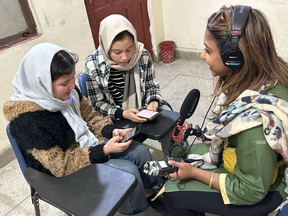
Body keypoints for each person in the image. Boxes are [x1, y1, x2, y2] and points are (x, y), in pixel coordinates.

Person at [3, 42, 162, 216]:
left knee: (140, 153)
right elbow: (60, 167)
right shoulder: (28, 120)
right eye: (64, 83)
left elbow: (91, 117)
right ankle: (135, 211)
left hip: (88, 146)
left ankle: (153, 194)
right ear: (42, 83)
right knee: (129, 174)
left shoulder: (67, 94)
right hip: (64, 173)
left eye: (73, 78)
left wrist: (110, 131)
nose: (72, 86)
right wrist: (103, 150)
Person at [161, 5, 288, 216]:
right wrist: (222, 139)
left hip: (269, 190)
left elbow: (251, 190)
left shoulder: (255, 122)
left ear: (234, 57)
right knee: (195, 154)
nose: (202, 56)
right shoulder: (271, 72)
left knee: (174, 192)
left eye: (208, 51)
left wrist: (194, 173)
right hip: (265, 165)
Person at [84, 14, 172, 124]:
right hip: (114, 115)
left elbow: (152, 86)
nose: (124, 57)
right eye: (117, 52)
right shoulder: (93, 64)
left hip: (144, 107)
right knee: (121, 138)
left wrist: (153, 103)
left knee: (171, 122)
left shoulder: (141, 54)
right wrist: (122, 113)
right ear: (106, 47)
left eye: (129, 50)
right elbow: (97, 103)